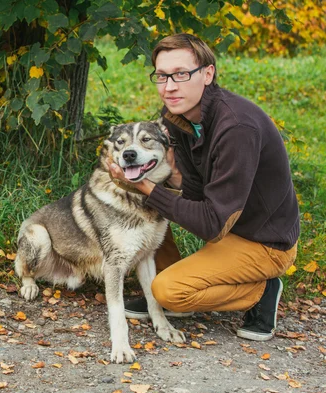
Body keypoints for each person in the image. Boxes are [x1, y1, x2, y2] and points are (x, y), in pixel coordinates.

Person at [109, 33, 300, 341]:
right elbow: (196, 193)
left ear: (208, 74)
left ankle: (262, 288)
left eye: (181, 74)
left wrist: (147, 188)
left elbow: (212, 225)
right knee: (146, 203)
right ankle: (173, 281)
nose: (169, 86)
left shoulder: (237, 127)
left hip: (263, 242)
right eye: (161, 76)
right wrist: (163, 178)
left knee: (168, 292)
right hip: (224, 222)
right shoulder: (176, 117)